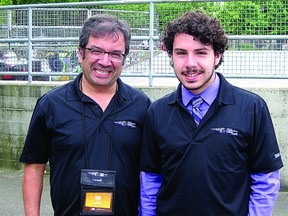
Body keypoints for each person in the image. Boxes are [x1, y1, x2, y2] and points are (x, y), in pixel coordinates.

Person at [139, 10, 283, 216]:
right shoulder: (157, 111)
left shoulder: (251, 107)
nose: (190, 63)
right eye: (181, 53)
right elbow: (150, 181)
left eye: (201, 52)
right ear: (171, 56)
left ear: (217, 56)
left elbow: (265, 180)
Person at [19, 14, 151, 216]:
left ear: (124, 59)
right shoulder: (51, 104)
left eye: (115, 54)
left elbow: (151, 172)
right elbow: (34, 167)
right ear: (80, 53)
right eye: (96, 51)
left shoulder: (142, 106)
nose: (105, 61)